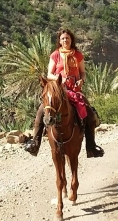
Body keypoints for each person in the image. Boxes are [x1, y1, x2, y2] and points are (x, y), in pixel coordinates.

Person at [23, 29, 104, 158]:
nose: (65, 40)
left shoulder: (78, 55)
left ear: (71, 40)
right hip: (58, 90)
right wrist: (60, 79)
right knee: (41, 111)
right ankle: (35, 143)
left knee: (89, 113)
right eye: (63, 38)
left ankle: (91, 146)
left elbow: (82, 72)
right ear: (59, 41)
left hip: (74, 90)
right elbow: (49, 73)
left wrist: (81, 80)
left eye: (67, 38)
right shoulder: (55, 55)